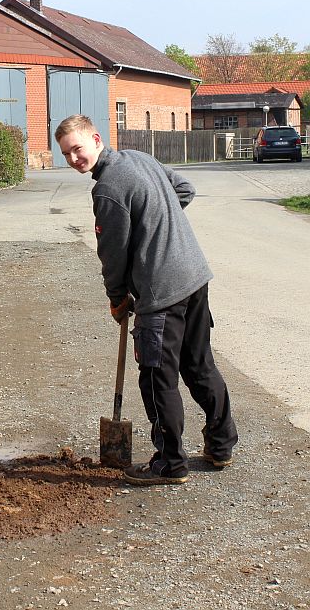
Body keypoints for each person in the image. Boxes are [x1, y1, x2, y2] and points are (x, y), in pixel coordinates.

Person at [55, 114, 237, 486]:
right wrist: (159, 226)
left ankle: (170, 463)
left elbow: (113, 254)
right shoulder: (140, 158)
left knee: (157, 379)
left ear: (96, 139)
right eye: (66, 154)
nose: (75, 158)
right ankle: (221, 446)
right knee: (200, 365)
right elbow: (183, 190)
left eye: (78, 148)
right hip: (195, 277)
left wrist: (117, 297)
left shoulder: (106, 189)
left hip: (161, 293)